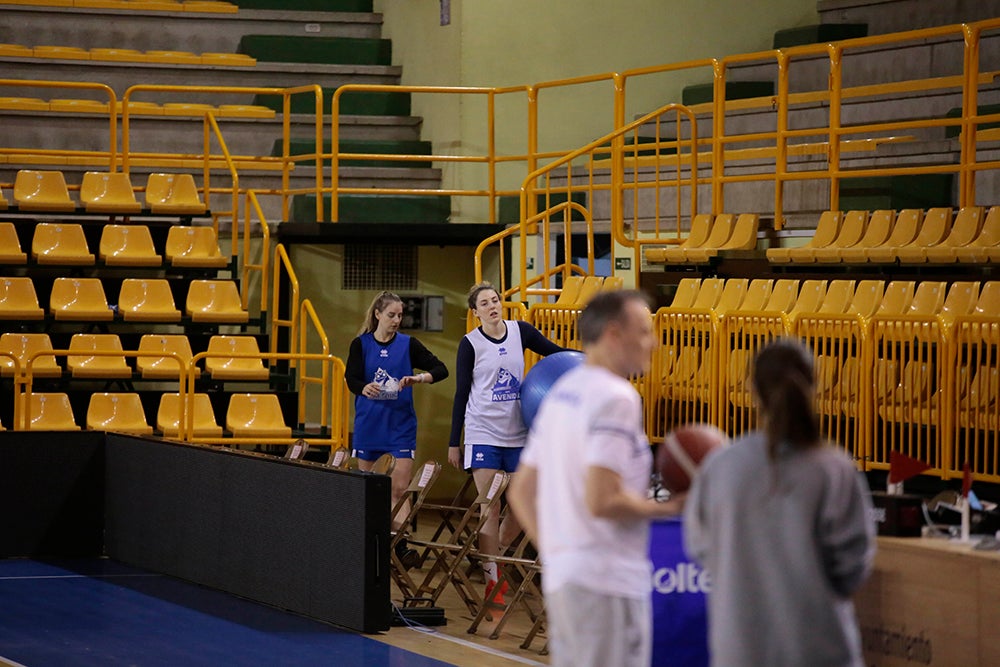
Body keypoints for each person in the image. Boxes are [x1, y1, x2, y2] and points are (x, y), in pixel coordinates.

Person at [508, 290, 685, 667]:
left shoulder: (562, 391)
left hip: (570, 579)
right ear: (613, 333)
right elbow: (602, 501)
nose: (653, 342)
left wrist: (559, 557)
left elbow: (521, 491)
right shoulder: (616, 397)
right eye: (644, 330)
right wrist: (673, 508)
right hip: (607, 582)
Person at [683, 338, 876, 667]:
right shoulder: (835, 469)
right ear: (815, 383)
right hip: (818, 646)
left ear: (751, 389)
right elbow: (852, 566)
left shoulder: (721, 465)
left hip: (740, 647)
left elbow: (701, 547)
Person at [448, 281, 565, 605]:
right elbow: (461, 394)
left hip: (519, 433)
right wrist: (453, 442)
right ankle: (493, 581)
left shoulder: (521, 331)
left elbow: (557, 354)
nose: (492, 306)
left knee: (524, 503)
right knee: (491, 505)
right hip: (482, 431)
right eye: (484, 303)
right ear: (475, 313)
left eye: (495, 300)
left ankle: (493, 555)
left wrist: (594, 359)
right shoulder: (470, 344)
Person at [347, 290, 449, 568]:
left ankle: (399, 546)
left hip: (400, 426)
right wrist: (362, 386)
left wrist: (419, 378)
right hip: (369, 424)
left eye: (400, 315)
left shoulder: (408, 344)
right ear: (378, 314)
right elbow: (351, 377)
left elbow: (441, 369)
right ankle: (364, 543)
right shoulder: (361, 344)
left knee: (399, 489)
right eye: (391, 315)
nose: (396, 320)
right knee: (365, 488)